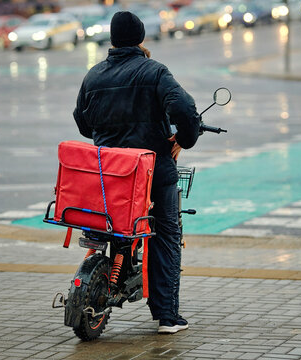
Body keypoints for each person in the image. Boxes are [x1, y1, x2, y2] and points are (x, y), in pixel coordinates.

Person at [73, 11, 201, 334]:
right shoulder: (154, 72)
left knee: (110, 223)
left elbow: (83, 121)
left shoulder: (93, 76)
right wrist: (182, 139)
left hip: (109, 174)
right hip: (152, 173)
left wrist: (111, 138)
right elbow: (185, 111)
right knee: (166, 234)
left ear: (113, 39)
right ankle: (167, 317)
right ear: (141, 38)